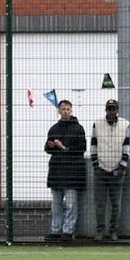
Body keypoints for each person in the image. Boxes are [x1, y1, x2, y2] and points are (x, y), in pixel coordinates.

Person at [44, 100, 87, 241]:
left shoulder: (79, 129)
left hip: (72, 173)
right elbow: (47, 149)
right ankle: (55, 230)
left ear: (71, 110)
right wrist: (51, 145)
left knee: (70, 204)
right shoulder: (53, 128)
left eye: (68, 109)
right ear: (59, 110)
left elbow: (81, 149)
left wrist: (63, 148)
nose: (65, 111)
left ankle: (68, 231)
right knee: (55, 205)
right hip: (56, 172)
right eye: (63, 109)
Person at [91, 99, 130, 240]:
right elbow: (93, 146)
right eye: (109, 108)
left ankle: (113, 230)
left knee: (116, 204)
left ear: (117, 110)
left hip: (117, 170)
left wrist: (123, 165)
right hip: (100, 169)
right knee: (100, 204)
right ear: (105, 109)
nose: (111, 111)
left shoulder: (125, 125)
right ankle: (100, 230)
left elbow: (126, 147)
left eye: (114, 108)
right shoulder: (97, 124)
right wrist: (95, 165)